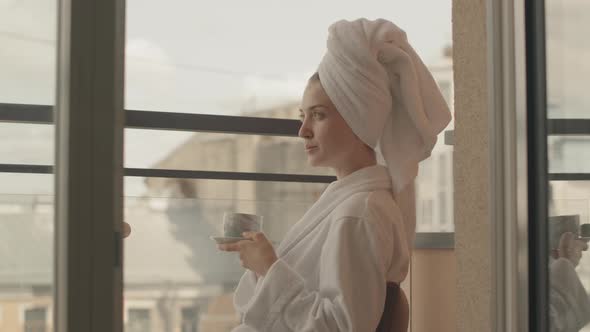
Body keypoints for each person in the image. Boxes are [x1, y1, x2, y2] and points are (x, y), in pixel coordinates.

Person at [217, 18, 451, 331]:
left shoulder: (359, 212)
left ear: (359, 118)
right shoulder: (348, 202)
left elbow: (340, 326)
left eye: (319, 115)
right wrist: (264, 264)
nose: (303, 131)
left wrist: (269, 267)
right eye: (303, 116)